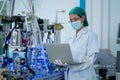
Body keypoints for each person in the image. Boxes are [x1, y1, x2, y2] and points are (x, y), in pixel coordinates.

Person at [54, 6, 99, 80]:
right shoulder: (70, 37)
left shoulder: (91, 36)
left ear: (82, 18)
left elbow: (90, 60)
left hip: (85, 76)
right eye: (71, 20)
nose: (73, 22)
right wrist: (62, 62)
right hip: (71, 76)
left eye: (75, 19)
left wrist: (72, 65)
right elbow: (66, 54)